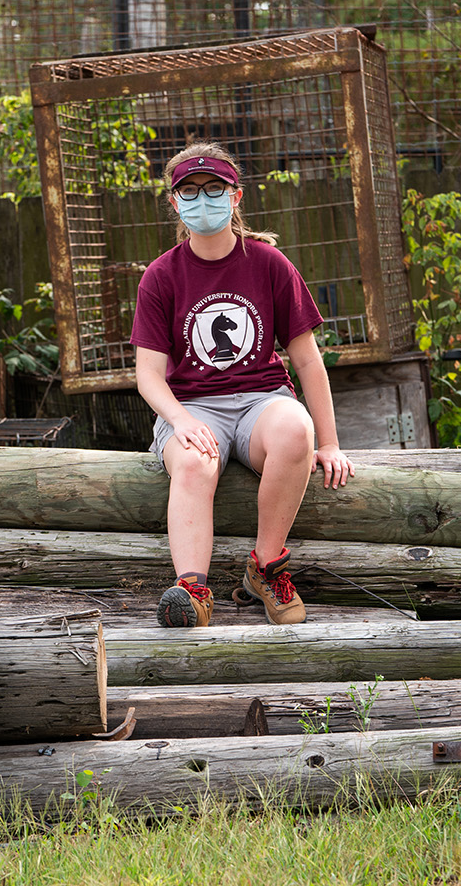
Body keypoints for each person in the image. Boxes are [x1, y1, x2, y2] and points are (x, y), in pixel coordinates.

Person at [129, 142, 354, 629]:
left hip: (261, 401)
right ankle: (192, 590)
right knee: (192, 460)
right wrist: (181, 421)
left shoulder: (270, 265)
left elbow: (309, 362)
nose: (201, 201)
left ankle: (265, 567)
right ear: (174, 202)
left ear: (236, 197)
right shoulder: (161, 276)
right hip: (192, 404)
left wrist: (330, 442)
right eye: (189, 192)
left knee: (296, 430)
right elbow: (148, 374)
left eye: (214, 190)